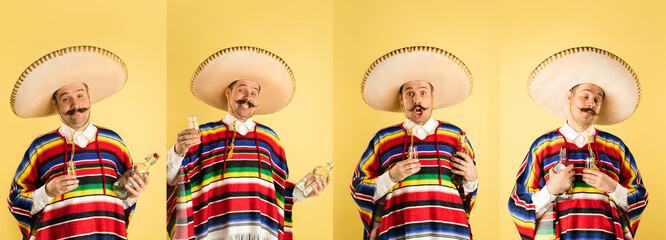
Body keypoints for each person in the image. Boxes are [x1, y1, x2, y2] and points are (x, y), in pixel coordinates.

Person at [166, 46, 330, 240]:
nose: (247, 98)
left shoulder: (270, 139)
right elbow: (173, 179)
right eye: (242, 90)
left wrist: (305, 189)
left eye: (253, 93)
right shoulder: (202, 135)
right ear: (228, 93)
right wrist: (178, 151)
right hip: (213, 233)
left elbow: (278, 193)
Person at [8, 46, 149, 240]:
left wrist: (133, 193)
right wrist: (47, 191)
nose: (76, 106)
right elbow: (15, 201)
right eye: (66, 99)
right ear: (56, 104)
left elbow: (123, 202)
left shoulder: (115, 143)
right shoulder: (40, 148)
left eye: (80, 95)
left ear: (89, 97)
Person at [508, 46, 649, 240]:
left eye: (597, 99)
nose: (591, 102)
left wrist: (613, 187)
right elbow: (516, 203)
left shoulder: (616, 147)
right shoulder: (542, 147)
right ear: (570, 97)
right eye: (585, 95)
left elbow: (641, 197)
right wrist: (551, 190)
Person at [350, 46, 479, 240]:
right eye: (409, 94)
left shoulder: (456, 136)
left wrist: (472, 177)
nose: (416, 99)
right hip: (400, 231)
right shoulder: (383, 139)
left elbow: (467, 191)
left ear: (432, 96)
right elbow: (357, 187)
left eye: (423, 92)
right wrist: (391, 176)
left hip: (449, 233)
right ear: (401, 100)